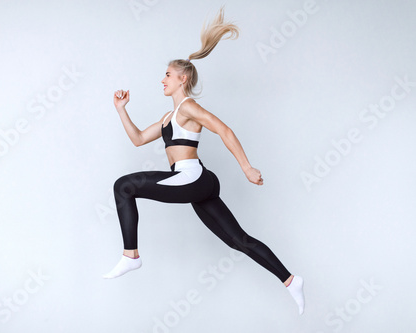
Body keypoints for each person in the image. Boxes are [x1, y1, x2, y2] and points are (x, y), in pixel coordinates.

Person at [103, 6, 305, 315]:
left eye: (167, 75)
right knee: (238, 241)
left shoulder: (187, 107)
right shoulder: (169, 116)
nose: (162, 80)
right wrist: (121, 110)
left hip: (193, 179)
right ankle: (291, 280)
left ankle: (131, 255)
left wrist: (247, 167)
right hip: (200, 183)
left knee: (123, 186)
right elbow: (139, 139)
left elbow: (224, 129)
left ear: (182, 78)